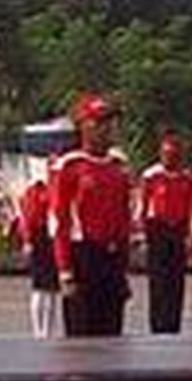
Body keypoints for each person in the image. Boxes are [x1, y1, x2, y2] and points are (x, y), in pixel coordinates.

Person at [50, 94, 132, 337]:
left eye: (110, 122)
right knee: (83, 336)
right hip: (83, 254)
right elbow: (59, 222)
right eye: (99, 122)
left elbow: (124, 218)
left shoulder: (119, 165)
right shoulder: (69, 166)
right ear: (83, 126)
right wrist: (65, 271)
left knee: (112, 333)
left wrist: (123, 266)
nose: (107, 129)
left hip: (112, 256)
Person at [140, 132, 192, 334]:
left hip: (178, 230)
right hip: (158, 230)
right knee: (159, 282)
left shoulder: (187, 177)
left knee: (176, 282)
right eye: (167, 153)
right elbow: (142, 207)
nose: (170, 157)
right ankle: (158, 324)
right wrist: (142, 235)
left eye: (174, 154)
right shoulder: (152, 176)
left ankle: (174, 323)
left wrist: (190, 235)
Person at [18, 172, 59, 338]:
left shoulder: (52, 189)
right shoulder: (33, 192)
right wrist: (28, 240)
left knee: (51, 290)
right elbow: (28, 218)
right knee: (39, 287)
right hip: (40, 238)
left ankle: (47, 329)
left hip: (51, 237)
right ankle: (38, 329)